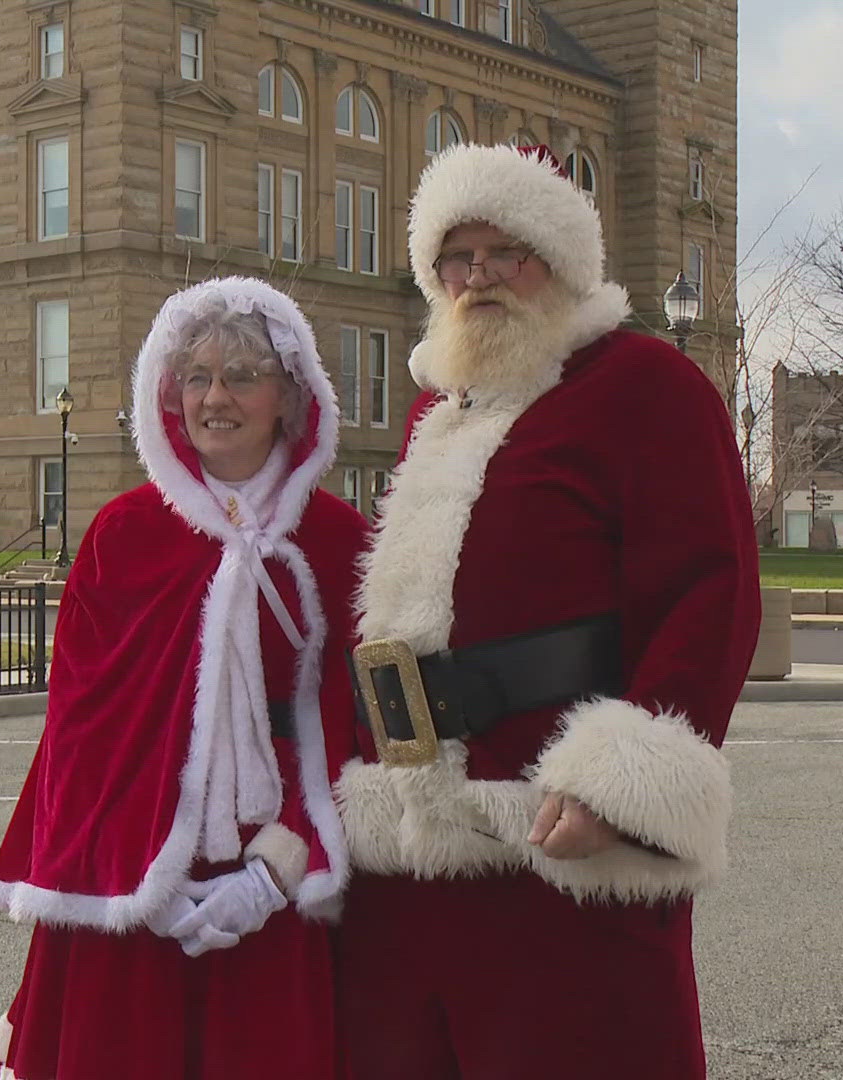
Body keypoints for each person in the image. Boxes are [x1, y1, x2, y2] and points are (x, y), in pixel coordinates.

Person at [333, 143, 761, 1078]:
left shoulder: (644, 384)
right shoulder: (434, 412)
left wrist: (620, 792)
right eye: (458, 257)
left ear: (560, 262)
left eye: (505, 252)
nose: (479, 276)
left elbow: (707, 591)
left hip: (558, 841)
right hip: (410, 854)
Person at [0, 277, 368, 1079]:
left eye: (241, 377)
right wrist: (140, 876)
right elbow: (83, 732)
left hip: (274, 874)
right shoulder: (122, 535)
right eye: (196, 377)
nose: (214, 398)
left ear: (289, 397)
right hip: (133, 881)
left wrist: (274, 872)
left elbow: (356, 722)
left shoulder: (339, 542)